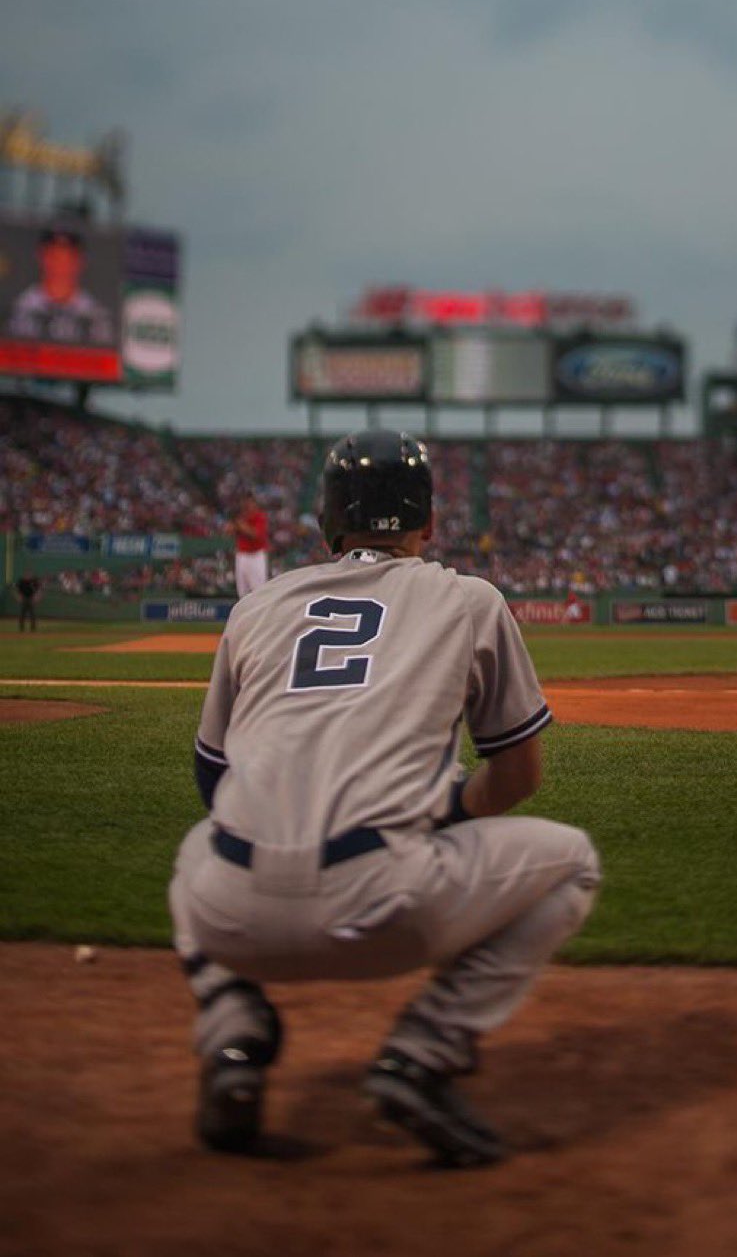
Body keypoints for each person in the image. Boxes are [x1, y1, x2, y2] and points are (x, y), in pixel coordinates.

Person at [168, 430, 600, 1165]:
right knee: (574, 863)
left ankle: (234, 1037)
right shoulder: (468, 600)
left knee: (194, 849)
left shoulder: (257, 608)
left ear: (326, 523)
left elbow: (214, 782)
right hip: (384, 912)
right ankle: (419, 1057)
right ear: (428, 522)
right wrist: (446, 812)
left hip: (230, 918)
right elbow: (520, 775)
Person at [6, 225, 115, 347]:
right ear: (41, 257)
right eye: (53, 255)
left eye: (67, 256)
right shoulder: (21, 307)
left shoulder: (94, 314)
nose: (59, 264)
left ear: (79, 261)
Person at [229, 493, 269, 596]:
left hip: (255, 556)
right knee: (242, 593)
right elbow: (228, 530)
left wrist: (240, 525)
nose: (247, 505)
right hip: (242, 556)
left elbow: (255, 534)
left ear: (254, 503)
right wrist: (235, 525)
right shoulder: (241, 517)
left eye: (249, 502)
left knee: (259, 592)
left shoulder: (260, 516)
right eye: (245, 502)